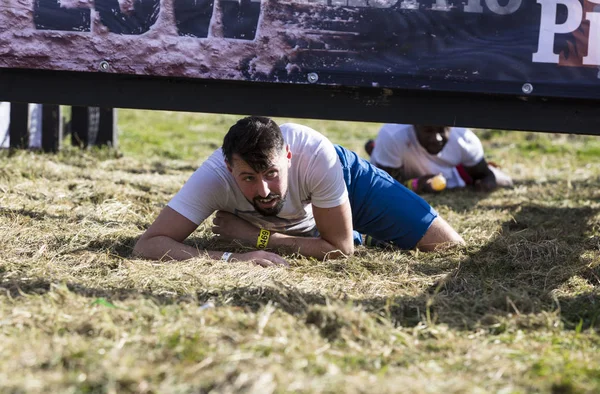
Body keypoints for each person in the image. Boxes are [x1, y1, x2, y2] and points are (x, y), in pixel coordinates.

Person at [134, 117, 465, 267]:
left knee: (447, 246)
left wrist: (258, 239)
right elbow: (148, 244)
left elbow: (340, 251)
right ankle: (355, 231)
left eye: (271, 174)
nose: (263, 190)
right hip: (303, 216)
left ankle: (356, 226)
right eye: (247, 178)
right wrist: (232, 259)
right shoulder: (213, 177)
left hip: (342, 178)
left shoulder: (318, 157)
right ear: (228, 167)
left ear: (288, 157)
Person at [365, 124, 513, 193]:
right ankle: (377, 151)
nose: (436, 138)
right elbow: (387, 188)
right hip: (401, 172)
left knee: (505, 181)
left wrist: (487, 183)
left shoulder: (464, 139)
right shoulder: (393, 135)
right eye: (428, 130)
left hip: (451, 172)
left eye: (442, 129)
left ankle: (375, 149)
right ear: (414, 126)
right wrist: (419, 185)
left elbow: (485, 175)